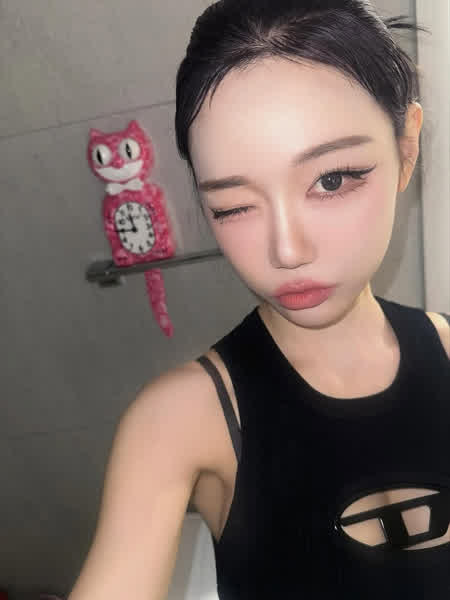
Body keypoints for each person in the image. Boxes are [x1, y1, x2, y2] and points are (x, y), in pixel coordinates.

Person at [68, 1, 450, 598]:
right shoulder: (178, 422)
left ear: (406, 148)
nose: (287, 250)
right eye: (233, 206)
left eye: (331, 180)